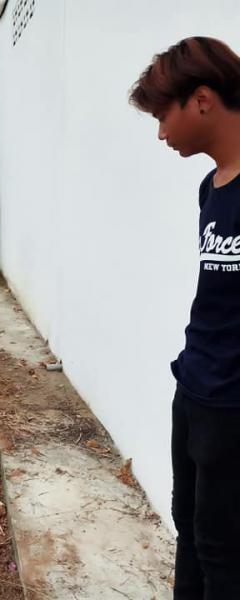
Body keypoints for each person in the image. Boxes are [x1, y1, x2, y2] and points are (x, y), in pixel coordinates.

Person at [130, 37, 240, 599]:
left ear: (201, 100)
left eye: (163, 116)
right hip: (194, 388)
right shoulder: (212, 187)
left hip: (232, 406)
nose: (161, 133)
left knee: (225, 550)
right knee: (190, 531)